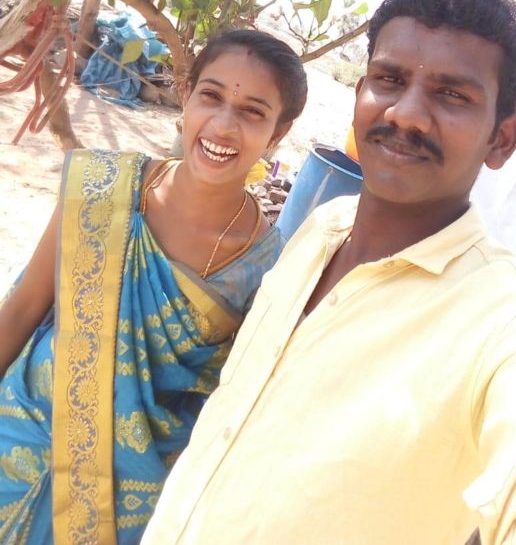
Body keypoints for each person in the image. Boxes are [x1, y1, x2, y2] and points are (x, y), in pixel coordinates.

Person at [144, 0, 516, 544]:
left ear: (501, 140)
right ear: (359, 95)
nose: (405, 113)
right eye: (389, 79)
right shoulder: (320, 232)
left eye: (452, 95)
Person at [0, 28, 307, 544]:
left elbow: (228, 408)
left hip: (128, 501)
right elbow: (24, 307)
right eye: (211, 96)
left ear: (279, 131)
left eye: (253, 112)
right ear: (186, 94)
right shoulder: (102, 187)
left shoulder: (267, 268)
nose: (223, 124)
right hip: (18, 434)